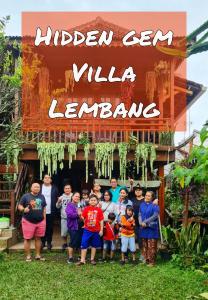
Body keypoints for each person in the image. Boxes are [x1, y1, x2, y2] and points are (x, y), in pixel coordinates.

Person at [18, 182, 46, 262]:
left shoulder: (42, 196)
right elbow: (19, 206)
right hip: (28, 221)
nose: (37, 188)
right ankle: (28, 256)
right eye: (35, 187)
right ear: (31, 188)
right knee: (27, 239)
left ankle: (37, 255)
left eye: (38, 187)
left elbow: (44, 208)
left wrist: (44, 220)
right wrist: (24, 209)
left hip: (40, 221)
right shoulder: (25, 196)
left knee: (38, 238)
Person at [76, 194, 104, 266]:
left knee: (94, 245)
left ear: (97, 201)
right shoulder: (86, 209)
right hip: (87, 230)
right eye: (91, 200)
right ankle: (82, 260)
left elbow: (101, 220)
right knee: (84, 244)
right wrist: (80, 215)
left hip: (96, 230)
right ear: (89, 201)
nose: (93, 201)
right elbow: (83, 217)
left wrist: (101, 230)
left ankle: (92, 259)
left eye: (94, 200)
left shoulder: (99, 210)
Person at [139, 191, 160, 267]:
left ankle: (152, 262)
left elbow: (155, 216)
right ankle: (146, 259)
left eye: (149, 196)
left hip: (152, 228)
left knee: (151, 246)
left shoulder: (155, 205)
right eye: (146, 195)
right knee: (145, 245)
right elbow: (140, 214)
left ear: (152, 198)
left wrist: (145, 222)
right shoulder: (142, 204)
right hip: (144, 228)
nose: (146, 197)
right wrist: (141, 222)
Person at [41, 174, 59, 250]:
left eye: (49, 178)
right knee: (42, 227)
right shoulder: (39, 187)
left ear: (51, 180)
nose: (47, 179)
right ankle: (42, 242)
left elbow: (58, 198)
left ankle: (49, 242)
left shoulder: (54, 188)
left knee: (50, 227)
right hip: (40, 211)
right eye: (46, 178)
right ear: (43, 179)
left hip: (51, 211)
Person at [65, 192, 82, 263]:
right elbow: (70, 215)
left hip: (80, 227)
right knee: (72, 242)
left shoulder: (79, 205)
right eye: (76, 196)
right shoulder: (69, 205)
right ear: (72, 197)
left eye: (78, 197)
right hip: (73, 227)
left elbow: (82, 214)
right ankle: (70, 257)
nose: (77, 198)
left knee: (80, 242)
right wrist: (78, 214)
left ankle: (80, 256)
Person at [56, 184, 73, 251]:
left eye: (68, 188)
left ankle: (72, 243)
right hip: (64, 218)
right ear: (64, 189)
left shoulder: (74, 196)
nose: (67, 190)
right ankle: (65, 243)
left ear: (71, 189)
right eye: (66, 188)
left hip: (72, 218)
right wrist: (58, 201)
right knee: (64, 233)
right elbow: (57, 206)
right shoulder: (61, 197)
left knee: (72, 232)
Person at [130, 186, 145, 250]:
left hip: (143, 220)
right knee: (137, 235)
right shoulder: (132, 199)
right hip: (134, 220)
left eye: (139, 190)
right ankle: (136, 249)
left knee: (142, 236)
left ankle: (143, 251)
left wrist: (156, 200)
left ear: (142, 191)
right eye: (136, 190)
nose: (138, 191)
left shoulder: (145, 199)